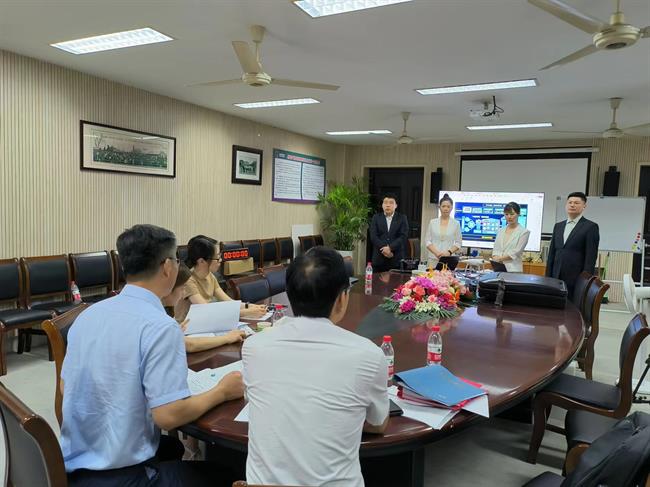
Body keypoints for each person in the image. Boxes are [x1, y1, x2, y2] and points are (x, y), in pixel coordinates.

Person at [60, 224, 244, 486]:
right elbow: (169, 416)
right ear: (168, 267)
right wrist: (222, 392)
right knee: (230, 475)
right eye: (177, 261)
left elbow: (65, 387)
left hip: (75, 467)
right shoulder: (160, 326)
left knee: (171, 448)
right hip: (123, 476)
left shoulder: (88, 315)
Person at [242, 247, 389, 487]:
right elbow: (378, 423)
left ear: (289, 295)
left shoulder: (254, 347)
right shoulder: (369, 355)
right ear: (342, 298)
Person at [175, 235, 266, 321]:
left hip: (204, 322)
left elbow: (228, 302)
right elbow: (207, 311)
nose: (221, 260)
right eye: (217, 258)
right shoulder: (188, 280)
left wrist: (250, 306)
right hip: (187, 327)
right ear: (201, 261)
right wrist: (246, 312)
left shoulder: (209, 275)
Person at [162, 262, 246, 353]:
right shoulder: (158, 315)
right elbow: (190, 345)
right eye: (182, 288)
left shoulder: (163, 310)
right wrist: (227, 338)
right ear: (169, 287)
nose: (183, 293)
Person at [546, 192, 600, 299]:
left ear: (584, 206)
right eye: (570, 202)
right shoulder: (558, 226)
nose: (572, 205)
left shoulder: (590, 227)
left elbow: (591, 257)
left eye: (576, 203)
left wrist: (585, 281)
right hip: (556, 277)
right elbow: (552, 253)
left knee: (572, 306)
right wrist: (548, 276)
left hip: (576, 278)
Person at [369, 193, 409, 272]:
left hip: (395, 258)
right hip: (379, 259)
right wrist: (385, 250)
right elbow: (373, 236)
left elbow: (403, 236)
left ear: (396, 205)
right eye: (385, 202)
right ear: (382, 205)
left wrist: (390, 248)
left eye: (391, 203)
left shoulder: (402, 218)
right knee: (377, 280)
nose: (388, 205)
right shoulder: (376, 218)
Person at [491, 201, 531, 272]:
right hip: (498, 268)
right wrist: (495, 258)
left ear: (518, 214)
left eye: (512, 214)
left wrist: (499, 259)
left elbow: (516, 252)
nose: (509, 217)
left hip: (513, 270)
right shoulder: (500, 230)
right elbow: (496, 249)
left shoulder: (524, 232)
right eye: (506, 214)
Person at [425, 193, 462, 267]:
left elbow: (458, 243)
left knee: (447, 274)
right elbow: (427, 241)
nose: (446, 209)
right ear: (439, 207)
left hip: (448, 259)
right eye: (443, 206)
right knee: (432, 274)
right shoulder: (432, 222)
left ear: (451, 208)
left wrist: (449, 252)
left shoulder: (456, 223)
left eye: (448, 206)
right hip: (433, 258)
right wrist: (436, 253)